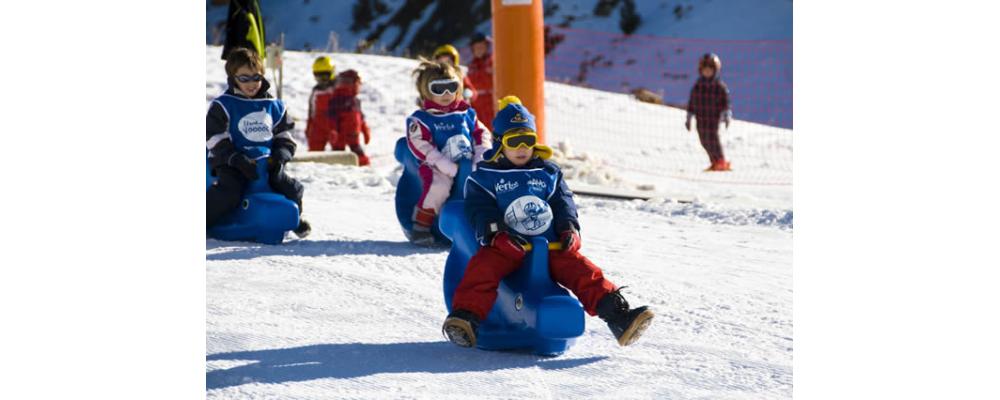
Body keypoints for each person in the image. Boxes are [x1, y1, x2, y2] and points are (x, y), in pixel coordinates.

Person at [442, 97, 654, 348]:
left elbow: (563, 202)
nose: (522, 148)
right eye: (514, 141)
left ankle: (618, 317)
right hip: (507, 246)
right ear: (499, 144)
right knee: (483, 269)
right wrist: (496, 235)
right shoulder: (485, 178)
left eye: (528, 140)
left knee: (583, 270)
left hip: (550, 244)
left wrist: (569, 228)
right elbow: (480, 210)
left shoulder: (548, 174)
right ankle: (466, 318)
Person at [206, 47, 311, 237]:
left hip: (266, 161)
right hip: (233, 161)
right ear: (232, 77)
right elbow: (214, 136)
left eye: (256, 77)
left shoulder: (274, 106)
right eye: (244, 78)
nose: (251, 83)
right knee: (231, 190)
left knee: (291, 187)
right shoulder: (223, 105)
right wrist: (235, 158)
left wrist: (280, 155)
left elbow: (284, 136)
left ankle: (295, 218)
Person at [405, 59, 492, 245]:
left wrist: (481, 153)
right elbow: (418, 142)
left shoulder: (467, 113)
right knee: (438, 187)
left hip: (469, 161)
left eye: (451, 87)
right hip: (437, 164)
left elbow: (481, 132)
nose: (446, 94)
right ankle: (422, 224)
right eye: (438, 89)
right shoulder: (422, 118)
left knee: (487, 186)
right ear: (426, 90)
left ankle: (489, 225)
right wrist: (441, 162)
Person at [685, 53, 733, 172]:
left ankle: (721, 161)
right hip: (700, 118)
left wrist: (726, 113)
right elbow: (692, 101)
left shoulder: (719, 86)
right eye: (705, 70)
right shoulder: (697, 86)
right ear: (701, 70)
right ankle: (714, 162)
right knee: (703, 140)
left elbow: (725, 101)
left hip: (713, 118)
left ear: (715, 70)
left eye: (710, 70)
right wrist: (689, 116)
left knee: (712, 139)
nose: (707, 72)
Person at [328, 69, 372, 166]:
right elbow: (332, 118)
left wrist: (365, 131)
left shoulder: (355, 100)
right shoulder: (337, 99)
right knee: (338, 159)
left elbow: (361, 118)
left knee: (357, 156)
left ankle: (364, 169)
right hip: (341, 137)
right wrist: (333, 131)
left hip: (353, 136)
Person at [305, 56, 337, 151]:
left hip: (334, 124)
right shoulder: (316, 91)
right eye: (318, 77)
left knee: (338, 147)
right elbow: (311, 110)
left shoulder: (337, 89)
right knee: (314, 148)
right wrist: (309, 126)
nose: (322, 80)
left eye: (325, 76)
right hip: (318, 125)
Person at [466, 32, 495, 127]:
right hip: (477, 106)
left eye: (481, 47)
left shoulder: (493, 61)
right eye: (476, 48)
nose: (479, 50)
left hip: (492, 103)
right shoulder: (471, 66)